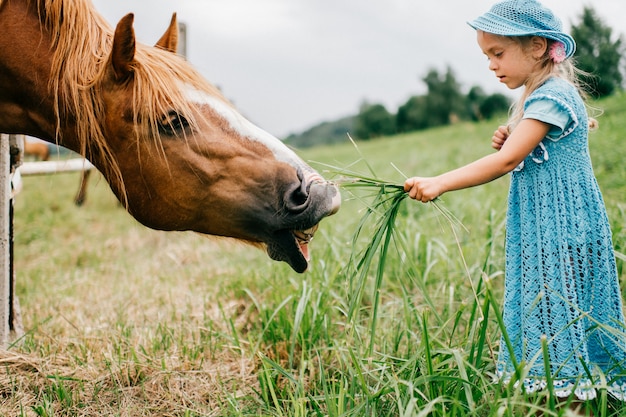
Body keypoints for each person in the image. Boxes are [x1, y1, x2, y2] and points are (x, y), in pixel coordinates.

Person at [404, 0, 626, 403]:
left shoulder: (553, 95)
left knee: (560, 309)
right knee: (553, 308)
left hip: (563, 228)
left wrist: (439, 182)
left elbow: (507, 161)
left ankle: (569, 400)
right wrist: (515, 132)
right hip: (548, 227)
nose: (491, 64)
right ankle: (564, 393)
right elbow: (534, 146)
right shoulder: (539, 96)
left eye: (498, 53)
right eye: (487, 55)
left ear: (538, 46)